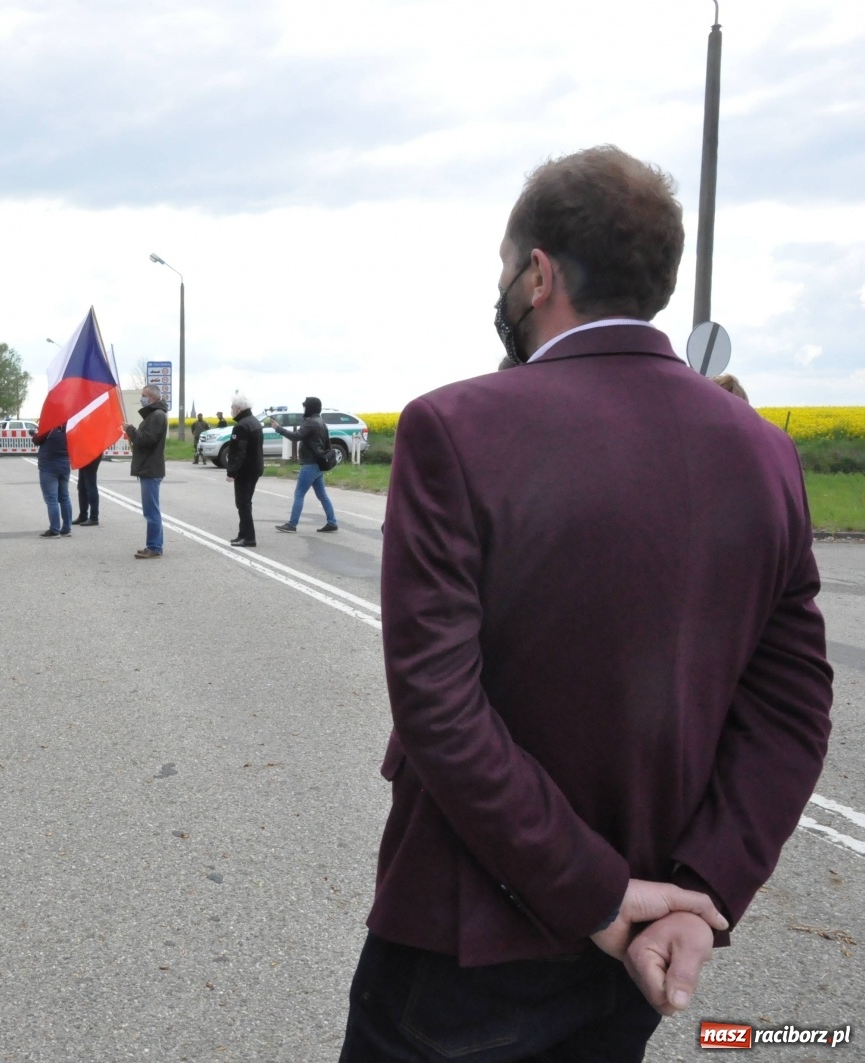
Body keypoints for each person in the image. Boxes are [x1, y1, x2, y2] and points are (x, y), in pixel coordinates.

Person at [341, 146, 832, 1062]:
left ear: (538, 274)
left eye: (504, 267)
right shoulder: (765, 452)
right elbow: (795, 707)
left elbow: (441, 710)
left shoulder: (454, 428)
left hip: (468, 939)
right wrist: (702, 891)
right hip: (643, 950)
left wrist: (600, 895)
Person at [268, 397, 338, 533]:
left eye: (305, 406)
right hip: (318, 463)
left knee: (299, 494)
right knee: (322, 495)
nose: (304, 408)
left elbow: (296, 436)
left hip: (310, 464)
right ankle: (332, 522)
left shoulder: (310, 422)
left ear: (310, 407)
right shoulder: (321, 422)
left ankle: (292, 524)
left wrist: (278, 428)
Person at [123, 385, 167, 559]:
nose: (142, 398)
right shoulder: (155, 415)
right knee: (151, 510)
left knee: (151, 511)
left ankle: (154, 546)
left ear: (153, 398)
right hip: (148, 467)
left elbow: (147, 439)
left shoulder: (156, 416)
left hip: (151, 468)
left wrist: (131, 430)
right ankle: (155, 544)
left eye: (144, 395)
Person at [224, 393, 263, 547]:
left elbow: (239, 451)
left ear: (239, 409)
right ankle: (243, 534)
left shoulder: (241, 426)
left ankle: (249, 537)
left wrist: (231, 472)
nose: (231, 410)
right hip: (255, 467)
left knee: (243, 503)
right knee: (245, 502)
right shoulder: (254, 422)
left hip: (245, 470)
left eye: (233, 407)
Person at [32, 424, 73, 537]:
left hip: (49, 467)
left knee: (51, 499)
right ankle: (67, 528)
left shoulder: (49, 428)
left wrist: (35, 433)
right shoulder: (69, 428)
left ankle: (55, 529)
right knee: (64, 498)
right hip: (65, 465)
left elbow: (37, 440)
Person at [75, 452, 101, 527]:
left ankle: (94, 517)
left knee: (90, 486)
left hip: (91, 454)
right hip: (84, 453)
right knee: (82, 486)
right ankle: (83, 515)